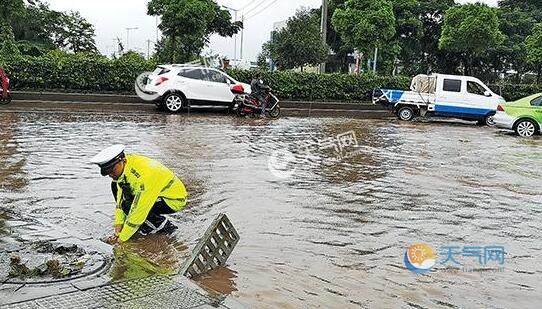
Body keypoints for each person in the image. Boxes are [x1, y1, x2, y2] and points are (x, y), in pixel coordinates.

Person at [90, 145, 188, 244]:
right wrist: (118, 226)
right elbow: (120, 198)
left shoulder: (144, 176)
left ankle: (167, 229)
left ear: (122, 160)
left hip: (173, 199)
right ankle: (138, 225)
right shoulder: (126, 167)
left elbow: (139, 210)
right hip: (154, 193)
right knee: (116, 188)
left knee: (130, 207)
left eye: (112, 170)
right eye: (107, 172)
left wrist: (122, 239)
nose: (110, 174)